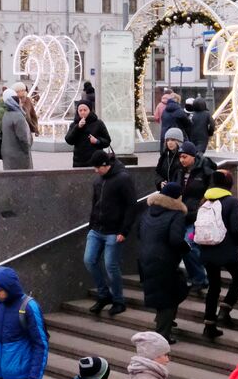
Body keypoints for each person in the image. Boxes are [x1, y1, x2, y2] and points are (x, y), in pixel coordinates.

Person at [86, 149, 136, 315]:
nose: (95, 171)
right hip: (97, 229)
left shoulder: (123, 178)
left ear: (106, 165)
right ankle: (103, 294)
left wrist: (124, 230)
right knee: (89, 260)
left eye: (97, 167)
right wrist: (91, 224)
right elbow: (95, 203)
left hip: (114, 231)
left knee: (110, 265)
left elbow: (131, 205)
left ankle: (118, 300)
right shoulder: (98, 180)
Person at [138, 183, 190, 342]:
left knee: (163, 294)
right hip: (165, 262)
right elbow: (175, 240)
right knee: (171, 297)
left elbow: (138, 234)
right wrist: (186, 246)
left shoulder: (148, 212)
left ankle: (162, 321)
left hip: (145, 258)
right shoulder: (176, 215)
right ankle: (162, 336)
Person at [200, 170, 238, 340]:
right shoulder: (232, 202)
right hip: (226, 249)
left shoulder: (205, 200)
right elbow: (235, 228)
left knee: (214, 287)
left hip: (207, 248)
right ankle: (225, 310)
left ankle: (209, 325)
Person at [176, 141, 215, 293]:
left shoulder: (205, 171)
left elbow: (210, 194)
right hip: (181, 216)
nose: (182, 160)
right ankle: (195, 277)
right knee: (182, 246)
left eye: (184, 156)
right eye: (180, 157)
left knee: (189, 246)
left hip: (197, 218)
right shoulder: (179, 171)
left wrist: (200, 212)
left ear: (192, 156)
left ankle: (200, 278)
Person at [64, 101, 111, 168]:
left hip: (96, 161)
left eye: (85, 110)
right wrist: (78, 127)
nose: (83, 112)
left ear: (90, 110)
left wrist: (97, 141)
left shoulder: (98, 123)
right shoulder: (74, 124)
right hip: (79, 161)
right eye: (80, 110)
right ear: (77, 112)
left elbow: (107, 141)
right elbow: (69, 140)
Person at [0, 88, 33, 171]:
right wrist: (27, 150)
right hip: (19, 156)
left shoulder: (6, 115)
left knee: (10, 179)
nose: (20, 101)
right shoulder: (18, 116)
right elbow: (23, 138)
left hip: (7, 154)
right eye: (18, 99)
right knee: (22, 180)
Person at [154, 127, 185, 192]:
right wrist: (160, 182)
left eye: (173, 140)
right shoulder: (165, 155)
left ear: (179, 141)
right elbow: (157, 172)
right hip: (166, 190)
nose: (170, 143)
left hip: (179, 193)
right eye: (167, 140)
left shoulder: (183, 156)